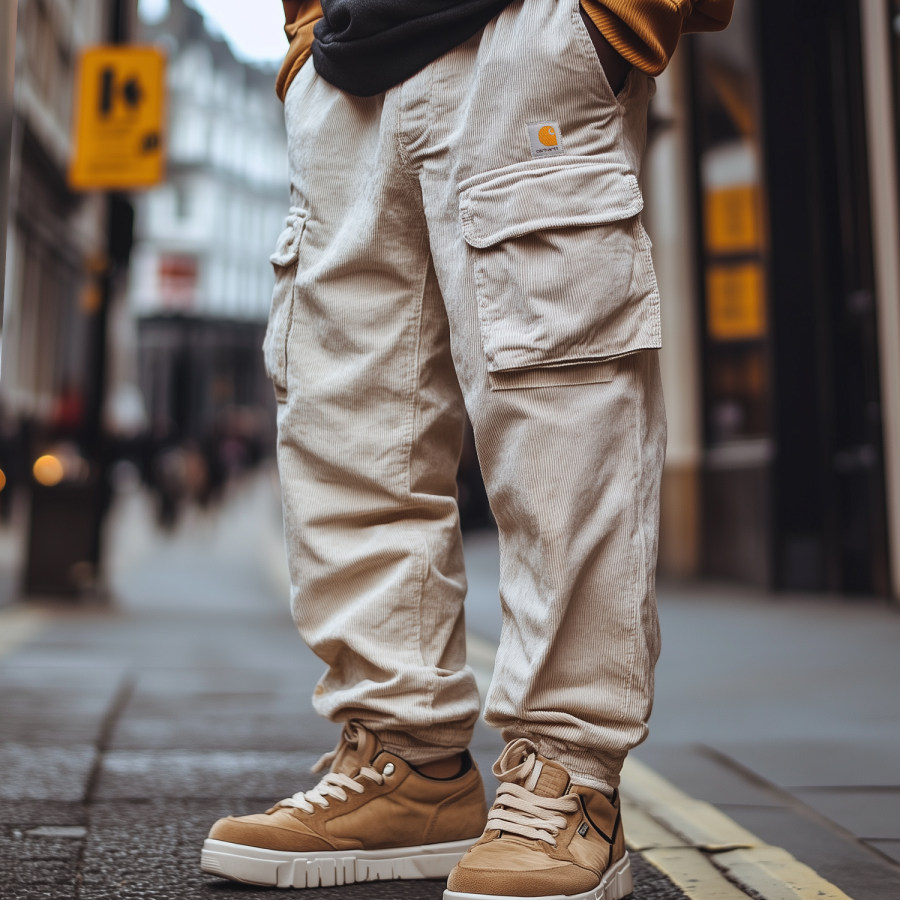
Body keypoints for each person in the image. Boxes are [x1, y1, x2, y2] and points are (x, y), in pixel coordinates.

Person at [201, 1, 733, 897]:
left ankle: (566, 781)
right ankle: (404, 763)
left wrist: (618, 20)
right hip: (349, 63)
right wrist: (307, 46)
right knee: (345, 428)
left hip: (528, 31)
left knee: (559, 417)